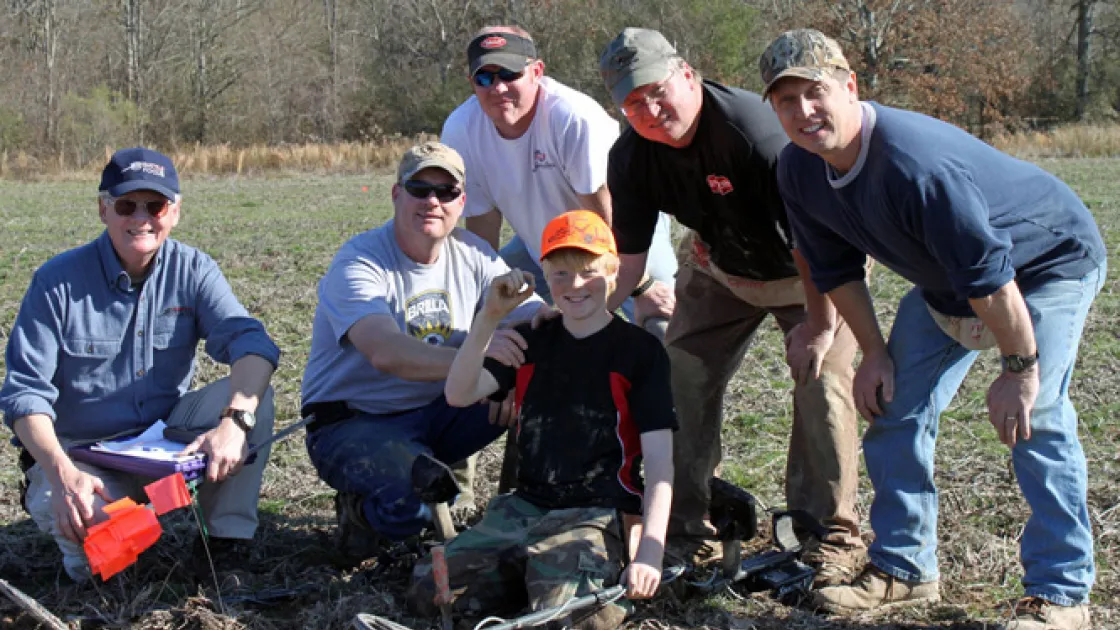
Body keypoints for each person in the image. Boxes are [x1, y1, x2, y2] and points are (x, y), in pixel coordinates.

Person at [761, 29, 1107, 629]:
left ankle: (1061, 593)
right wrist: (873, 353)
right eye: (786, 102)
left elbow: (994, 283)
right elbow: (833, 268)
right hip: (954, 280)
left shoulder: (913, 164)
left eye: (814, 93)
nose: (803, 112)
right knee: (892, 405)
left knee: (1037, 415)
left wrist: (1019, 369)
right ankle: (905, 569)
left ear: (850, 86)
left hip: (1046, 263)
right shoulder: (799, 170)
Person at [598, 27, 864, 582]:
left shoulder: (754, 135)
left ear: (687, 76)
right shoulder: (630, 157)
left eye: (656, 90)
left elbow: (815, 242)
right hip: (722, 269)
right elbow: (628, 261)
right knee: (677, 377)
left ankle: (827, 535)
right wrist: (583, 318)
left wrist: (819, 326)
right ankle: (683, 526)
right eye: (632, 101)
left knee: (822, 377)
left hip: (810, 268)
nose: (648, 108)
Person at [0, 146, 280, 582]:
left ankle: (224, 547)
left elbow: (251, 341)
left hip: (160, 444)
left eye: (156, 205)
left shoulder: (194, 270)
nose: (141, 218)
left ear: (176, 212)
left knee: (251, 398)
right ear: (103, 209)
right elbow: (23, 394)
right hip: (81, 459)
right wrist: (60, 473)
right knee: (103, 565)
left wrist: (234, 423)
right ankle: (94, 528)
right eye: (127, 205)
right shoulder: (56, 282)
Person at [408, 210, 675, 629]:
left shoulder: (640, 352)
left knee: (572, 620)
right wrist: (489, 318)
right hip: (524, 507)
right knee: (429, 591)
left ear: (613, 270)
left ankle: (560, 581)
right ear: (545, 275)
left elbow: (660, 466)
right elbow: (458, 393)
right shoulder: (531, 339)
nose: (575, 285)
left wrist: (650, 554)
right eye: (561, 274)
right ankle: (529, 577)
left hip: (595, 512)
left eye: (588, 272)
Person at [300, 142, 546, 558]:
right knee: (417, 507)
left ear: (461, 202)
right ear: (397, 194)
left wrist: (517, 379)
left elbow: (535, 319)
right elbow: (386, 352)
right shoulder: (361, 263)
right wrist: (482, 363)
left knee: (540, 391)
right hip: (354, 423)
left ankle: (525, 510)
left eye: (446, 192)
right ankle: (360, 511)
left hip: (437, 413)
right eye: (420, 188)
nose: (433, 201)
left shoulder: (474, 254)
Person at [441, 25, 678, 326]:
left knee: (659, 320)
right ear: (471, 82)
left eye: (510, 74)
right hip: (544, 245)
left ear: (537, 71)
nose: (497, 88)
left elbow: (605, 217)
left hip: (623, 231)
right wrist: (486, 305)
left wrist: (641, 285)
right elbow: (482, 230)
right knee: (487, 308)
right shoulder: (461, 130)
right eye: (484, 78)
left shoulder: (572, 118)